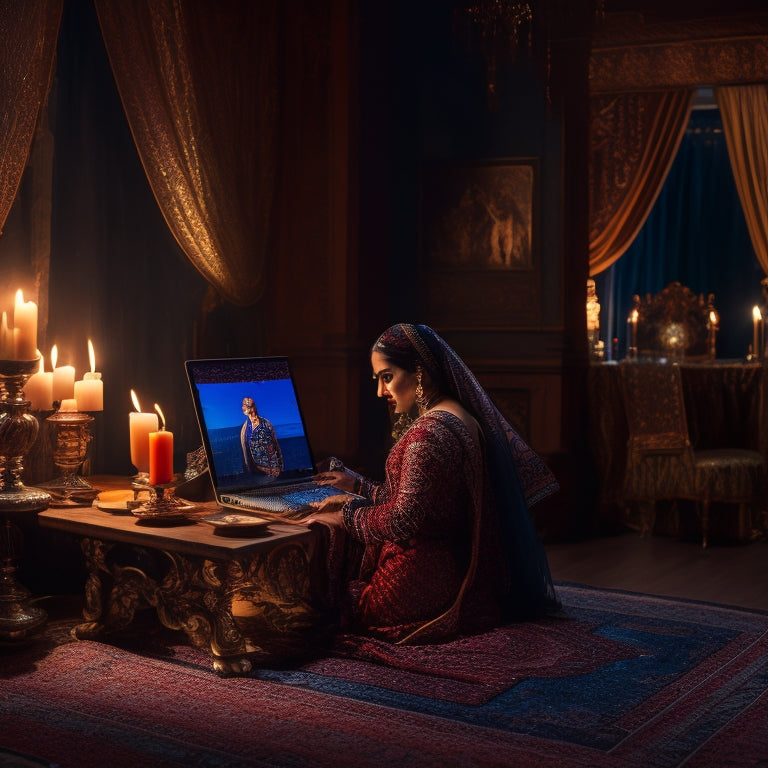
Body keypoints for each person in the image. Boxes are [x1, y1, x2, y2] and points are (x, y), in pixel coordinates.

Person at [305, 323, 560, 644]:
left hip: (419, 578)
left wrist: (345, 516)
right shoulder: (456, 415)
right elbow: (426, 499)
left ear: (420, 373)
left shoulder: (426, 436)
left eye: (387, 377)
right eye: (378, 380)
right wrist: (357, 488)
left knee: (324, 606)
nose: (380, 392)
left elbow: (403, 520)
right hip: (451, 568)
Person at [240, 396, 283, 478]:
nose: (242, 407)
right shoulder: (244, 428)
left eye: (244, 405)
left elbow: (275, 445)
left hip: (272, 470)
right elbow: (245, 450)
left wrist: (279, 466)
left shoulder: (266, 424)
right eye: (243, 405)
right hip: (255, 471)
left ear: (252, 407)